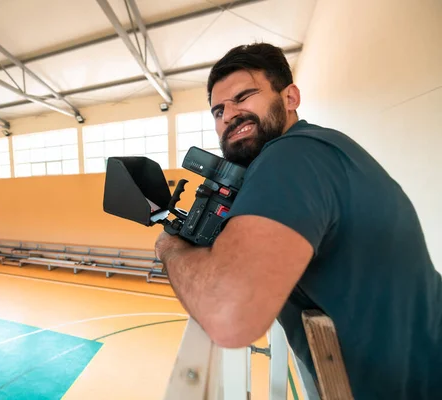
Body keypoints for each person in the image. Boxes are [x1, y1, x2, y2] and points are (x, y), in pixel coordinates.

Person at [154, 42, 442, 399]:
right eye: (217, 111)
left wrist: (170, 247)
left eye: (244, 97)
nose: (228, 115)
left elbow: (229, 315)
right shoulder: (322, 147)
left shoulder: (290, 156)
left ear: (290, 97)